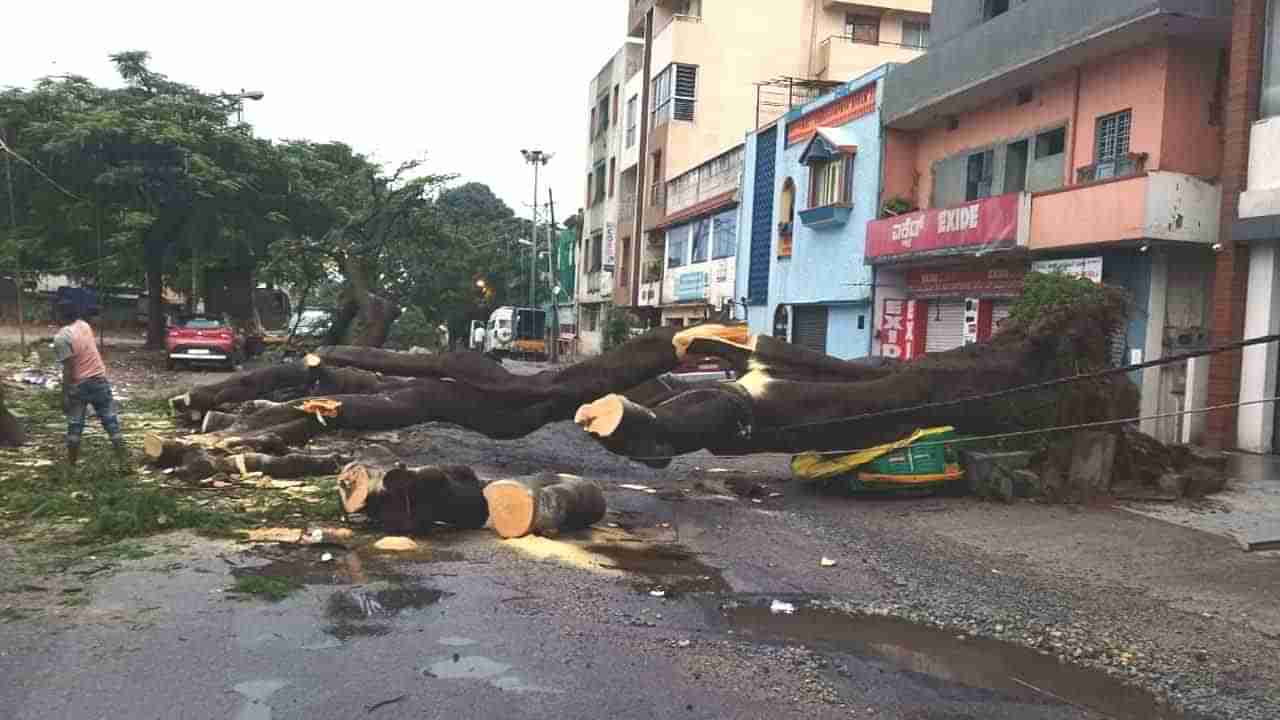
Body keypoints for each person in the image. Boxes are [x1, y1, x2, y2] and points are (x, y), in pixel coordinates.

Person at [53, 301, 126, 466]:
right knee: (111, 422)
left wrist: (64, 394)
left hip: (79, 385)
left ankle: (71, 465)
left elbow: (69, 369)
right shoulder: (84, 326)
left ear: (59, 315)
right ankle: (124, 460)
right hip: (100, 380)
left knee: (75, 425)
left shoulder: (61, 338)